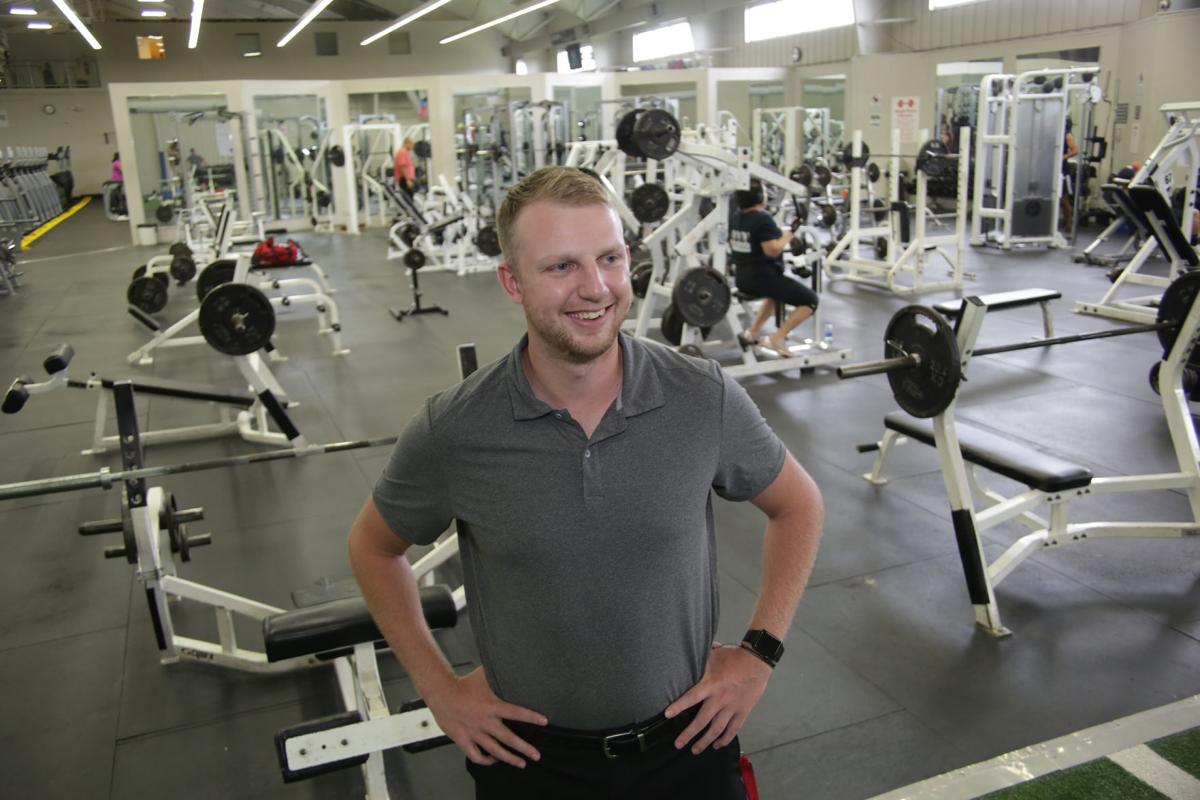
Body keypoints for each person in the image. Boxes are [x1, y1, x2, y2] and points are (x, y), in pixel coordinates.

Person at [349, 166, 823, 799]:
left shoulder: (700, 397)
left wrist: (759, 652)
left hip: (689, 747)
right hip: (532, 765)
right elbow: (372, 548)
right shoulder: (455, 429)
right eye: (561, 267)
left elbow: (799, 506)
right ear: (512, 283)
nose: (595, 288)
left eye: (610, 258)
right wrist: (440, 689)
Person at [729, 179, 820, 357]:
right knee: (810, 301)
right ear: (757, 196)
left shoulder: (736, 217)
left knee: (775, 296)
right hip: (763, 279)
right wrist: (791, 233)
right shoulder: (762, 218)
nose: (766, 194)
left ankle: (754, 332)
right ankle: (777, 338)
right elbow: (772, 250)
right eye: (763, 191)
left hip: (743, 278)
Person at [1060, 117, 1079, 231]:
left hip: (1063, 169)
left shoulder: (1068, 135)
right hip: (1054, 167)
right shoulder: (1057, 134)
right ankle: (1064, 220)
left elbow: (1075, 150)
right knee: (1057, 198)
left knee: (1063, 198)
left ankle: (1069, 222)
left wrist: (1063, 157)